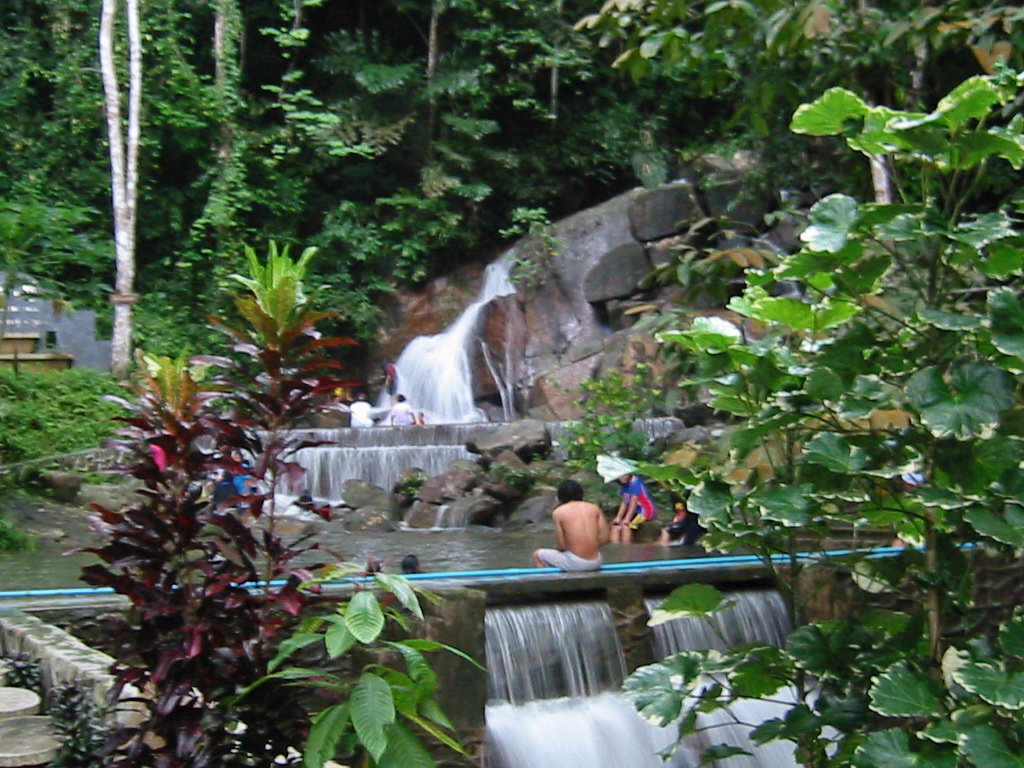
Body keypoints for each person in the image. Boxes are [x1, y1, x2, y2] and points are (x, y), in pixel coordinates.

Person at [532, 479, 610, 572]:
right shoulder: (594, 508)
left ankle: (551, 585)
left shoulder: (559, 512)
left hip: (577, 563)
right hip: (597, 561)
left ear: (561, 495)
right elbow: (605, 539)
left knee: (537, 555)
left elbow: (562, 546)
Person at [611, 471, 656, 544]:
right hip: (636, 510)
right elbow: (624, 502)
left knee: (626, 526)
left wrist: (627, 519)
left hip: (645, 510)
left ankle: (626, 548)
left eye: (624, 475)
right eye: (620, 477)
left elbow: (633, 502)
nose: (622, 478)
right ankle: (615, 547)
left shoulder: (635, 482)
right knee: (615, 526)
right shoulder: (624, 485)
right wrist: (618, 517)